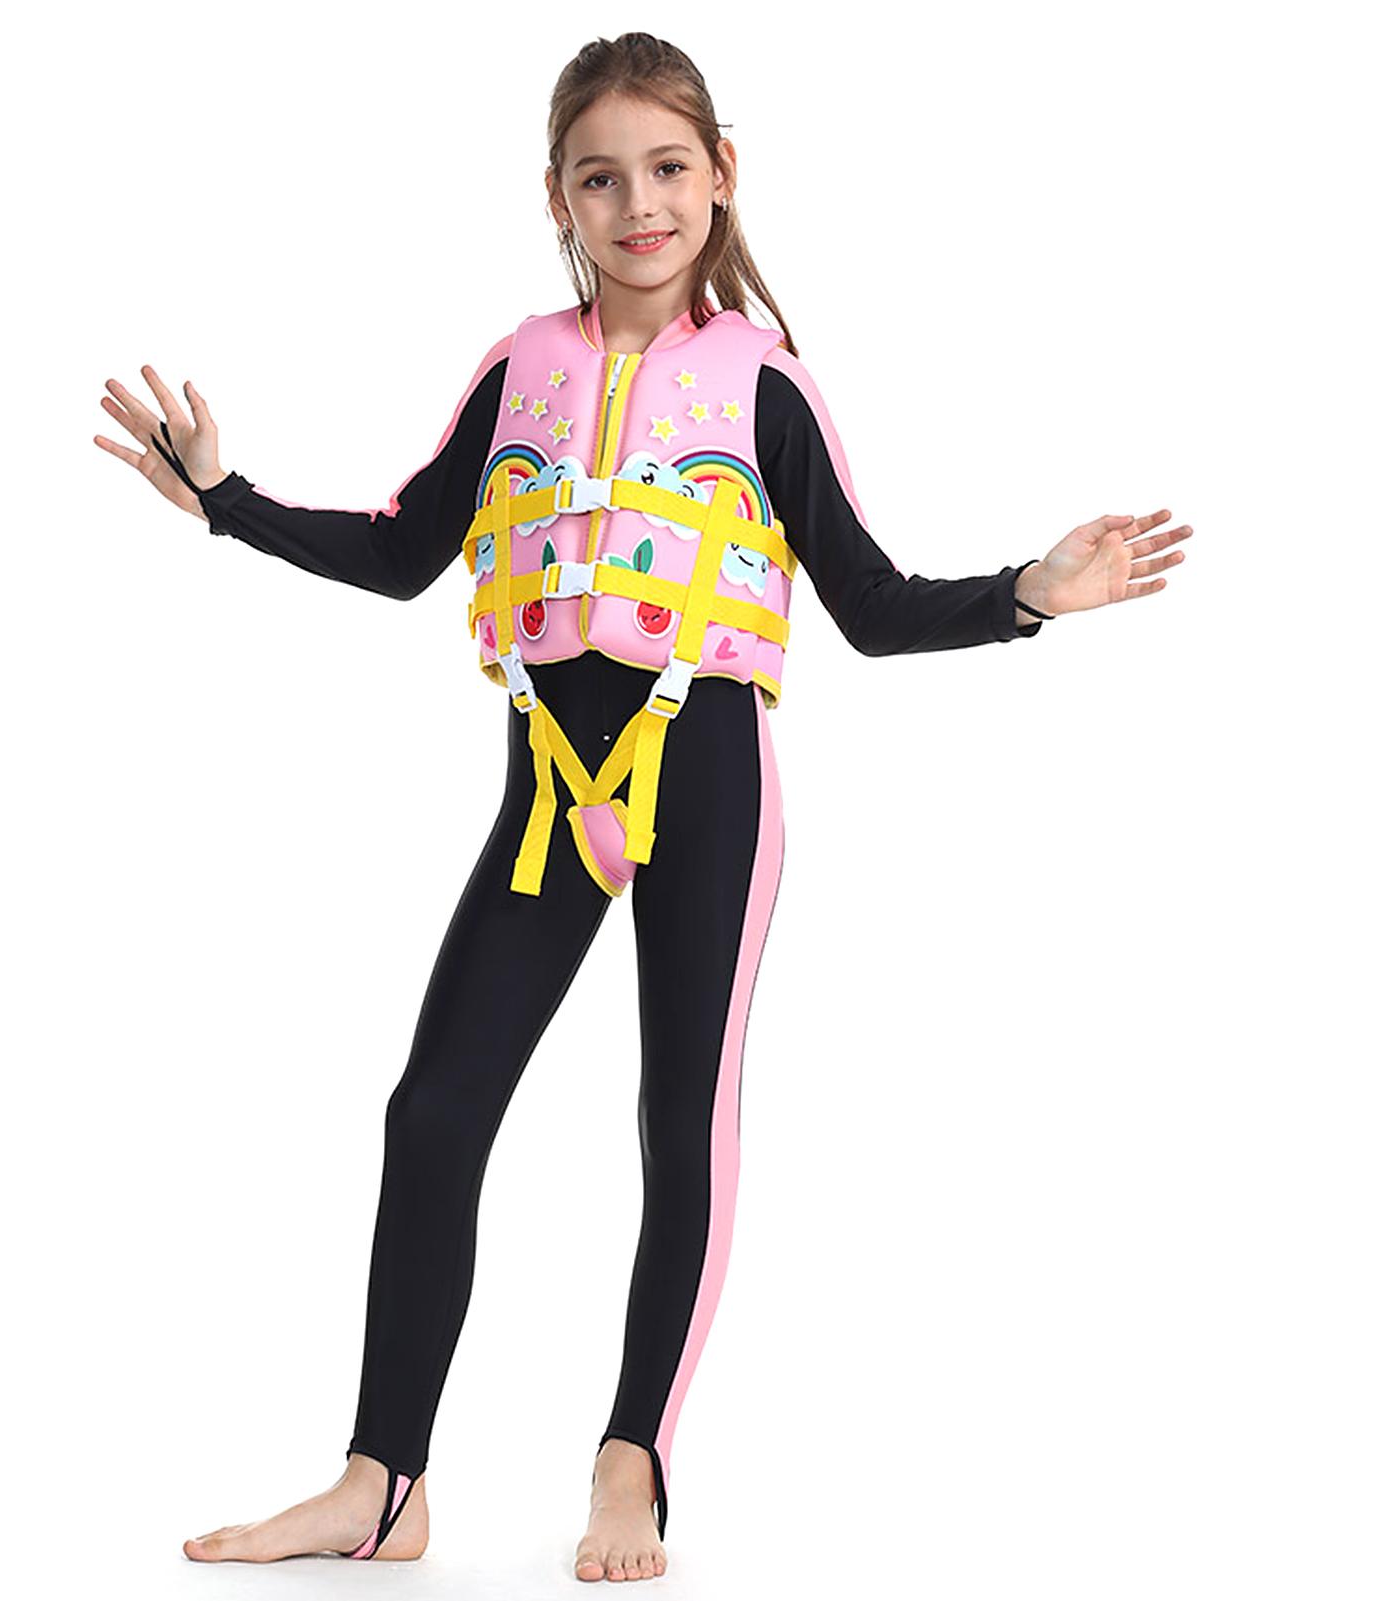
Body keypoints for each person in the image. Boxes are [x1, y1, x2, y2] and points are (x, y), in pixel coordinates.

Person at [92, 30, 1191, 1586]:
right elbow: (403, 553)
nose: (638, 204)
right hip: (553, 787)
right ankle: (382, 1479)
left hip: (707, 777)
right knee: (432, 1107)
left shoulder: (764, 386)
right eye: (600, 178)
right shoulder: (517, 367)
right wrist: (226, 502)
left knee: (680, 1121)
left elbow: (869, 606)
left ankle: (631, 1468)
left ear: (721, 174)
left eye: (667, 168)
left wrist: (1027, 592)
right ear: (557, 196)